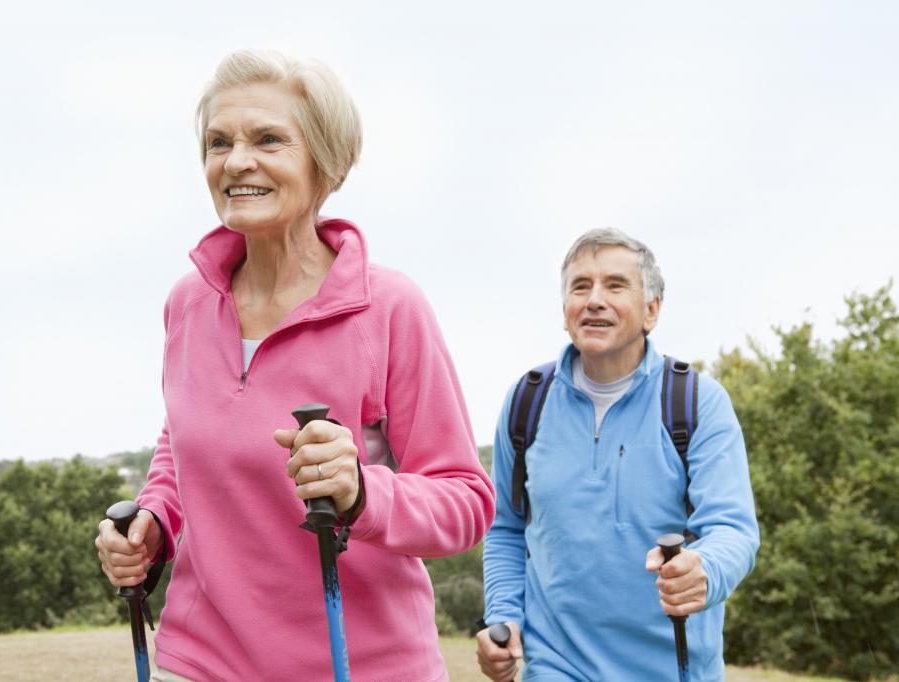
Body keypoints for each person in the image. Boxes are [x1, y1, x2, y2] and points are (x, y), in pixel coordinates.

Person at [94, 50, 494, 681]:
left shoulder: (388, 309)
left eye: (269, 140)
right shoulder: (189, 303)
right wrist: (154, 522)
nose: (236, 161)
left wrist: (363, 492)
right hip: (202, 659)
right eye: (218, 142)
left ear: (325, 162)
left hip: (361, 666)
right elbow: (182, 442)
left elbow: (465, 503)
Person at [477, 228, 759, 681]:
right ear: (565, 310)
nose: (594, 300)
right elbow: (506, 528)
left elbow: (733, 528)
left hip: (675, 668)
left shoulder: (696, 401)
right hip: (557, 665)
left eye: (615, 285)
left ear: (652, 310)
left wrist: (704, 568)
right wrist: (505, 617)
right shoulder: (526, 402)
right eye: (580, 286)